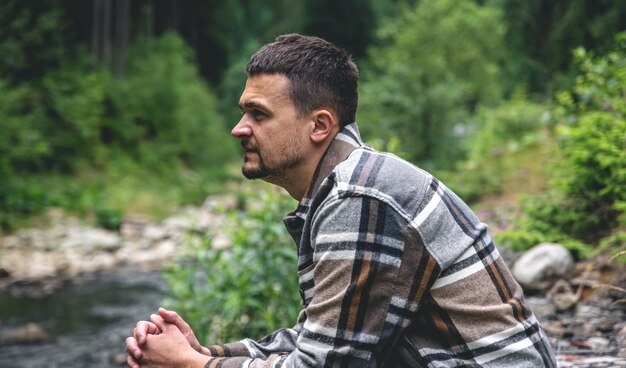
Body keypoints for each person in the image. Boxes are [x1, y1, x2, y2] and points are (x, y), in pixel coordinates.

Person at [125, 34, 557, 367]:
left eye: (258, 114)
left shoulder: (361, 198)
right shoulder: (345, 187)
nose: (239, 128)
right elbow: (320, 338)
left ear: (319, 126)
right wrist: (208, 350)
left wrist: (192, 363)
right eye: (244, 112)